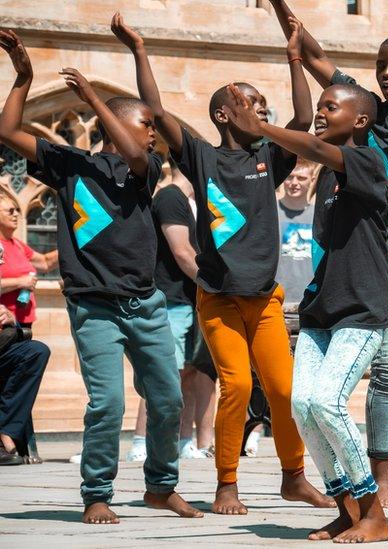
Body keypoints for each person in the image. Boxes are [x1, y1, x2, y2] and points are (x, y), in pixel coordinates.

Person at [111, 14, 331, 514]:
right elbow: (157, 109)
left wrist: (294, 58)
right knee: (239, 383)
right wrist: (140, 50)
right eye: (249, 103)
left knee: (283, 389)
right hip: (219, 299)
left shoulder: (270, 158)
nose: (259, 109)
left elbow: (300, 116)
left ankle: (294, 476)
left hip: (265, 299)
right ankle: (226, 481)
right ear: (223, 115)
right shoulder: (201, 157)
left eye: (260, 104)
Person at [0, 30, 200, 523]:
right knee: (107, 402)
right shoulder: (69, 167)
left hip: (145, 303)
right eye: (147, 123)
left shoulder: (145, 167)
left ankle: (161, 485)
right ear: (122, 123)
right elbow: (7, 132)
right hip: (94, 306)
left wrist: (91, 96)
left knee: (168, 398)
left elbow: (134, 154)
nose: (154, 132)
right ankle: (96, 492)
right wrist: (23, 80)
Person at [269, 0, 388, 507]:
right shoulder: (361, 110)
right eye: (381, 66)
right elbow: (314, 55)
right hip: (384, 254)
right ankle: (379, 471)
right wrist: (280, 10)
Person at [224, 75, 388, 541]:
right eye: (319, 106)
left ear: (359, 120)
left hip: (362, 310)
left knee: (327, 402)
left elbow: (317, 151)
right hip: (321, 311)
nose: (320, 112)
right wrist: (294, 57)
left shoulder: (367, 161)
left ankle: (373, 511)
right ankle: (345, 507)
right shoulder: (329, 183)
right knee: (301, 406)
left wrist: (262, 129)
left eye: (331, 107)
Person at [152, 171, 215, 460]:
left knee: (188, 374)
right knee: (168, 375)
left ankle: (183, 441)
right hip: (172, 300)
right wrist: (214, 284)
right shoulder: (169, 197)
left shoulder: (192, 202)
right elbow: (182, 252)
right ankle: (146, 443)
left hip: (189, 300)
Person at [0, 240, 50, 466]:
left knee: (35, 351)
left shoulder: (19, 245)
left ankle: (6, 430)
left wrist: (12, 320)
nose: (2, 261)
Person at [0, 196, 58, 327]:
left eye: (16, 210)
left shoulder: (17, 244)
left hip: (25, 321)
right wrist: (20, 282)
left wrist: (74, 244)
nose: (16, 214)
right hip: (5, 322)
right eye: (10, 211)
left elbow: (45, 262)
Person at [276, 159, 317, 311]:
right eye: (289, 177)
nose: (294, 183)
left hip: (310, 301)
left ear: (312, 180)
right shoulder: (270, 212)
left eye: (301, 178)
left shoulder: (318, 215)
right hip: (275, 300)